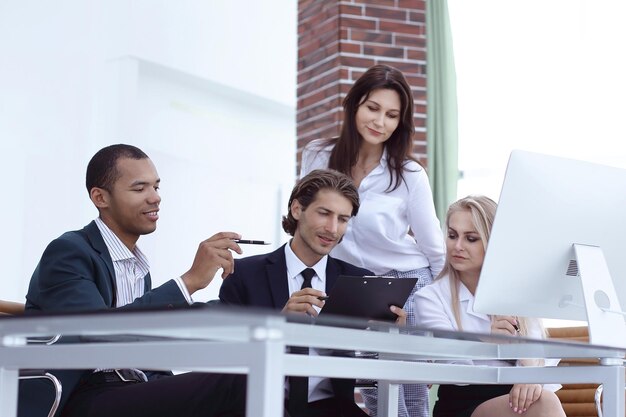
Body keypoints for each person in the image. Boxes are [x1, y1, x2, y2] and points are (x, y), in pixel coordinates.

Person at [24, 144, 246, 417]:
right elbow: (100, 335)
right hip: (84, 397)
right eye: (140, 189)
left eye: (156, 187)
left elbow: (147, 349)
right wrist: (189, 281)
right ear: (100, 197)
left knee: (248, 377)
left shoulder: (139, 268)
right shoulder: (69, 252)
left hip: (133, 388)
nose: (155, 198)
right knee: (233, 384)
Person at [299, 64, 445, 417]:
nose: (380, 122)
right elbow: (305, 221)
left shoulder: (409, 174)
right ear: (354, 105)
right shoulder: (318, 156)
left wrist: (441, 314)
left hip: (404, 286)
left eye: (392, 115)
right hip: (351, 288)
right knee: (370, 393)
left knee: (409, 399)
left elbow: (434, 249)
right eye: (372, 108)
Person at [219, 169, 407, 417]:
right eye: (324, 213)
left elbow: (372, 364)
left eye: (343, 219)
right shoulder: (243, 274)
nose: (332, 228)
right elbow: (224, 357)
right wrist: (278, 327)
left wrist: (392, 338)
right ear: (297, 210)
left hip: (332, 408)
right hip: (257, 406)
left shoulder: (358, 280)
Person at [414, 196, 566, 417]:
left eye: (471, 238)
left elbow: (540, 357)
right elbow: (451, 368)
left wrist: (530, 376)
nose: (457, 246)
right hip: (462, 403)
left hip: (514, 396)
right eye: (452, 235)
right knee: (546, 403)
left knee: (543, 399)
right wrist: (486, 340)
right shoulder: (430, 297)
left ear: (492, 242)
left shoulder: (518, 293)